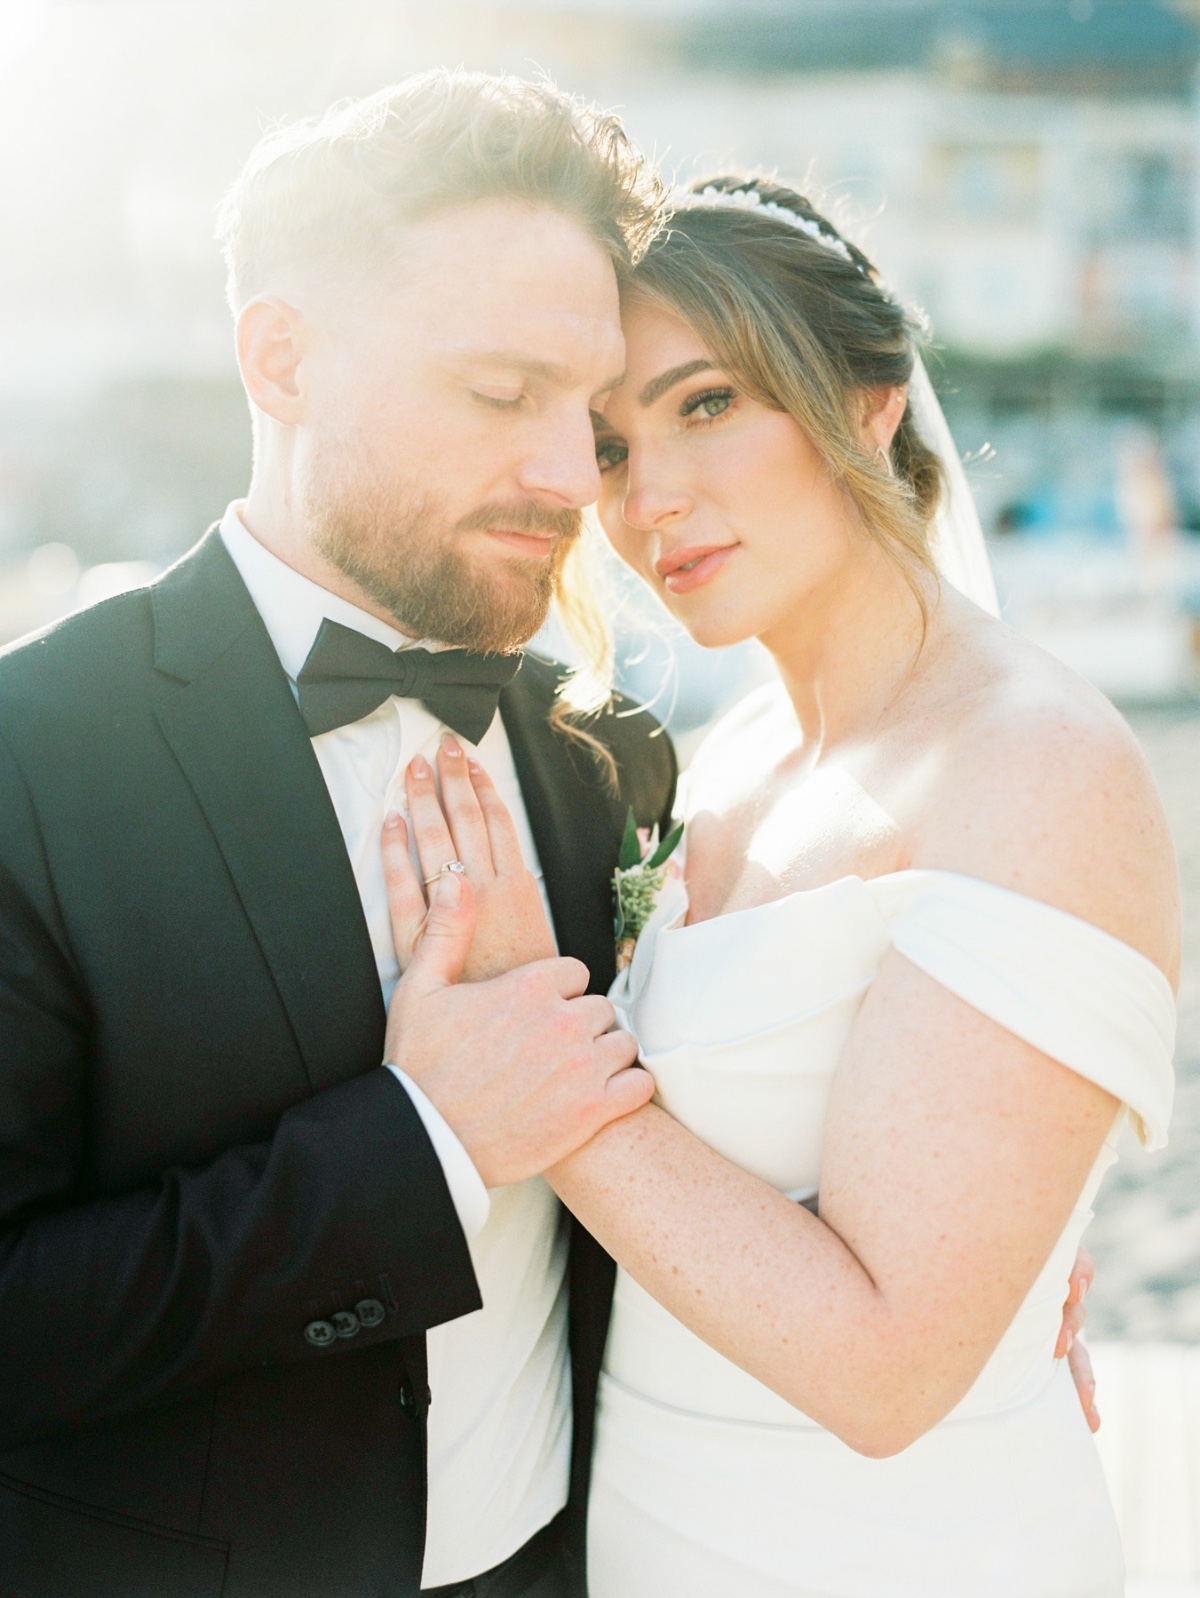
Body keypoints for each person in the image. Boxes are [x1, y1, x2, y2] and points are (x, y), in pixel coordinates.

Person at [382, 178, 1178, 1597]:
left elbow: (884, 1368)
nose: (649, 499)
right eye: (611, 444)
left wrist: (529, 1051)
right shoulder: (727, 753)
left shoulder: (1036, 768)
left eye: (705, 405)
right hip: (647, 1534)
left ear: (870, 400)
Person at [0, 72, 677, 1598]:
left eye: (592, 414)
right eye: (505, 396)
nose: (575, 479)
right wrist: (424, 1144)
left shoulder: (609, 748)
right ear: (284, 358)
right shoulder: (30, 756)